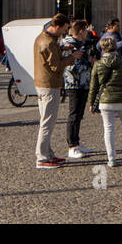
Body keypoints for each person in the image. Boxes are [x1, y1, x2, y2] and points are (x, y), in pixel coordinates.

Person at [34, 14, 79, 169]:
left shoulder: (43, 37)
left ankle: (48, 153)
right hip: (49, 85)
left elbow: (49, 55)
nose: (65, 32)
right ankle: (42, 157)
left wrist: (61, 48)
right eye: (66, 28)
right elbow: (56, 66)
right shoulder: (49, 42)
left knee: (46, 121)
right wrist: (72, 57)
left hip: (42, 83)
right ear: (59, 26)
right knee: (47, 123)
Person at [88, 36, 122, 165]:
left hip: (105, 100)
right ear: (116, 47)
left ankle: (111, 158)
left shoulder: (98, 64)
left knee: (108, 129)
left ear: (102, 48)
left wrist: (91, 102)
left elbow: (93, 86)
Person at [61, 20, 95, 160]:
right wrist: (88, 63)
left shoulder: (80, 44)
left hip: (83, 83)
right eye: (86, 30)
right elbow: (70, 66)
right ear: (81, 31)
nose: (87, 33)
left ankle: (77, 142)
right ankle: (72, 146)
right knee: (73, 115)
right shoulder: (68, 45)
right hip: (74, 83)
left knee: (79, 114)